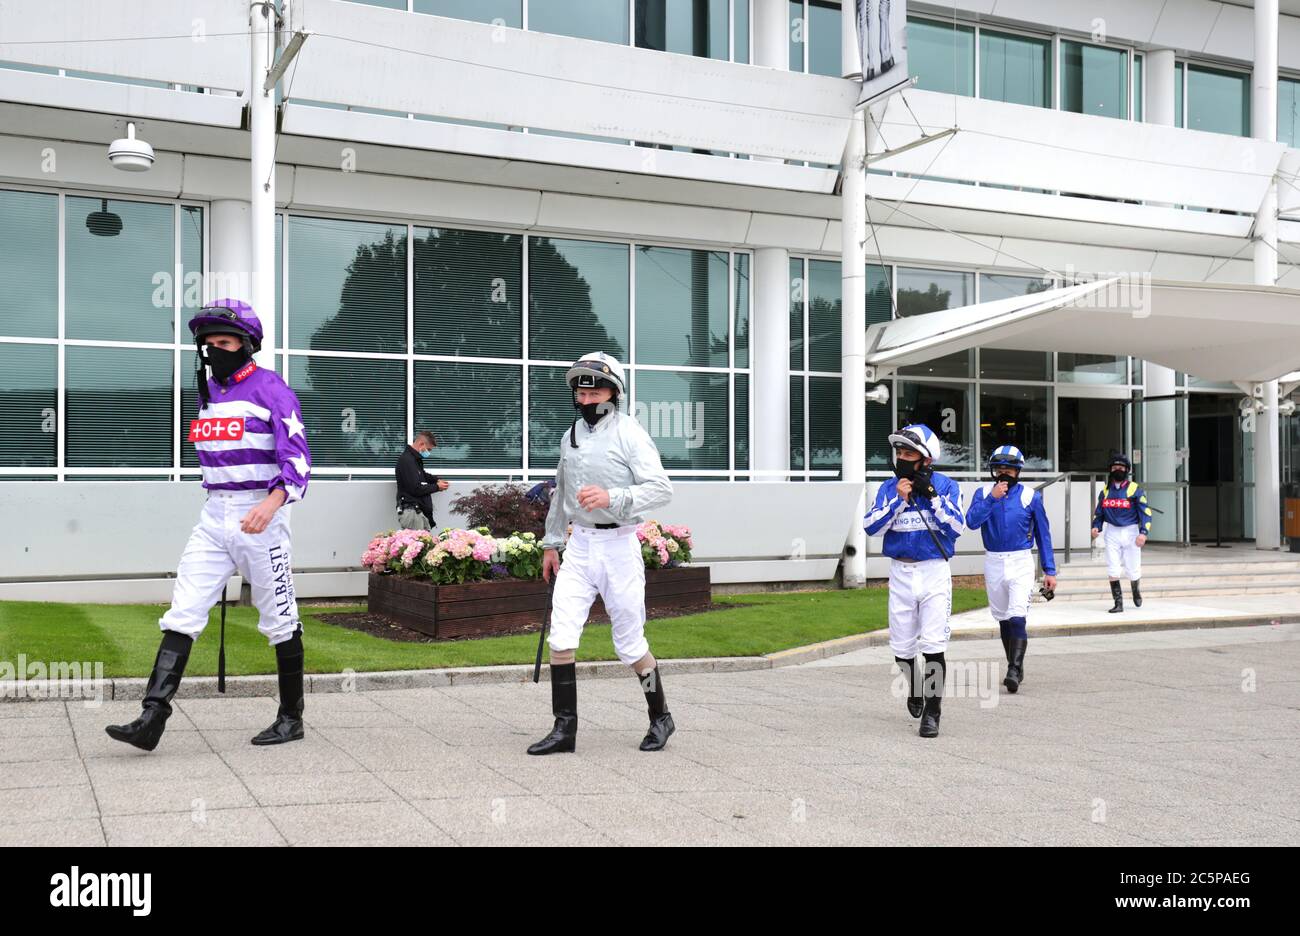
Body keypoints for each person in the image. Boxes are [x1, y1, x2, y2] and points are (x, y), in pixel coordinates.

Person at [105, 299, 312, 751]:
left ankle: (291, 717)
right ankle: (152, 716)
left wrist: (272, 503)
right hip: (213, 516)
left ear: (246, 345)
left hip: (261, 517)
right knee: (183, 611)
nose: (215, 350)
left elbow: (298, 461)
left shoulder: (272, 389)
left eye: (225, 342)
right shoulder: (207, 394)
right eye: (209, 343)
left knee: (279, 619)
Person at [529, 352, 675, 755]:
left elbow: (662, 488)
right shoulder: (570, 436)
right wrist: (551, 542)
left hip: (619, 545)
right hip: (579, 546)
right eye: (580, 389)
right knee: (561, 635)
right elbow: (560, 493)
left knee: (630, 644)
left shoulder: (630, 433)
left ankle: (660, 715)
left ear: (614, 392)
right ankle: (564, 730)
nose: (586, 397)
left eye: (595, 390)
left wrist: (614, 496)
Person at [864, 424, 964, 738]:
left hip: (934, 572)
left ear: (926, 459)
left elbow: (957, 526)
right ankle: (915, 687)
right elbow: (871, 527)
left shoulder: (947, 486)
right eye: (899, 452)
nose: (902, 458)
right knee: (902, 648)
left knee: (933, 646)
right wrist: (898, 500)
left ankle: (932, 714)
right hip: (900, 573)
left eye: (909, 453)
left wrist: (930, 495)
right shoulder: (887, 487)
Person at [964, 445, 1057, 693]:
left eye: (1008, 469)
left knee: (1017, 614)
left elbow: (1043, 535)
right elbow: (971, 522)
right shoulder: (982, 493)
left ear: (1017, 471)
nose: (1003, 473)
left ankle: (1013, 670)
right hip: (993, 560)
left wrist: (1050, 570)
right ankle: (1014, 663)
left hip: (1020, 560)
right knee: (1003, 618)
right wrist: (992, 498)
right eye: (999, 469)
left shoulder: (1030, 497)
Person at [1091, 453, 1152, 613]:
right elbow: (1099, 513)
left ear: (1126, 470)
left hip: (1131, 532)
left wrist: (1143, 533)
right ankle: (1118, 603)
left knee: (1133, 569)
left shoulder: (1135, 489)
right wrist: (1096, 526)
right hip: (1111, 532)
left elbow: (1145, 513)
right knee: (1113, 567)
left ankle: (1135, 589)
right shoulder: (1105, 491)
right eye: (1115, 467)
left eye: (1121, 467)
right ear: (1110, 470)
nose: (1118, 469)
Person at [395, 430, 448, 530]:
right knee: (417, 544)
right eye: (428, 449)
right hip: (412, 513)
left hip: (418, 512)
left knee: (424, 544)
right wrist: (437, 487)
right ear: (421, 444)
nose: (429, 452)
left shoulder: (415, 460)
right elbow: (415, 488)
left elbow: (422, 475)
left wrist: (436, 480)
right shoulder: (407, 461)